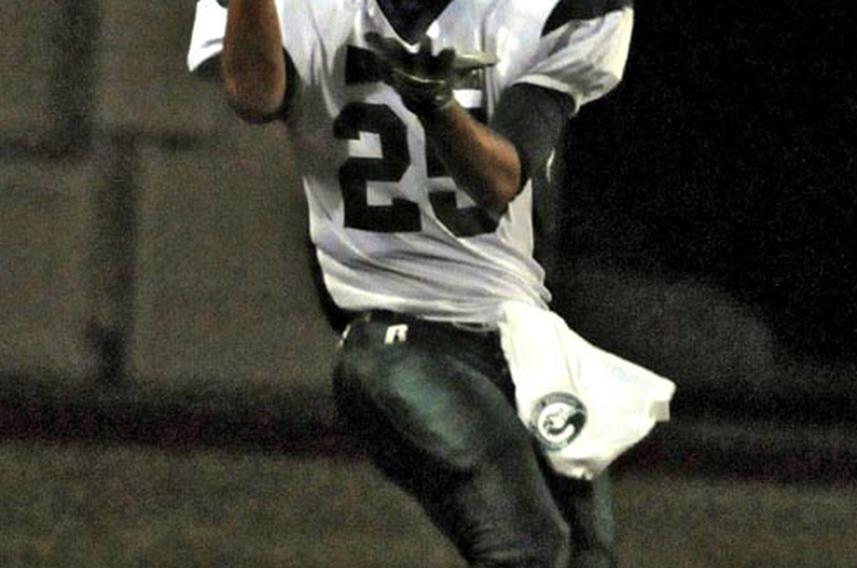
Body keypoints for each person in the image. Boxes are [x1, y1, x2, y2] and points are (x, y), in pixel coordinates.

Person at [188, 1, 636, 566]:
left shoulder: (546, 9)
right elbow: (254, 96)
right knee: (526, 545)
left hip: (522, 338)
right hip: (396, 339)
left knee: (585, 555)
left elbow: (497, 179)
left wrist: (438, 105)